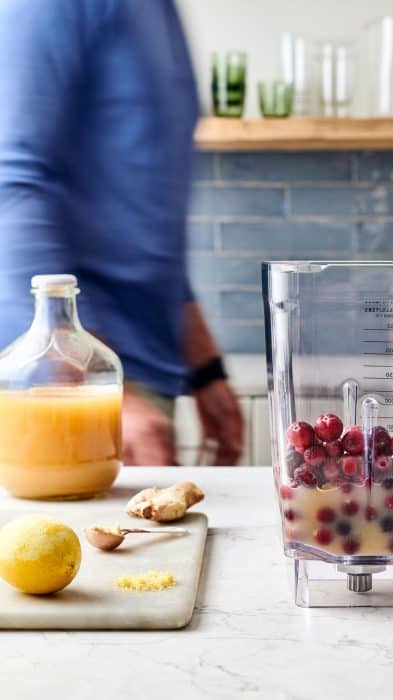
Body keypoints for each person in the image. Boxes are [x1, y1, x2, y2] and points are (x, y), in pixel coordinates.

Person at [0, 0, 243, 466]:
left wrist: (204, 367)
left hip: (131, 374)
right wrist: (89, 385)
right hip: (60, 388)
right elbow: (12, 186)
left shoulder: (158, 11)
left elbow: (142, 214)